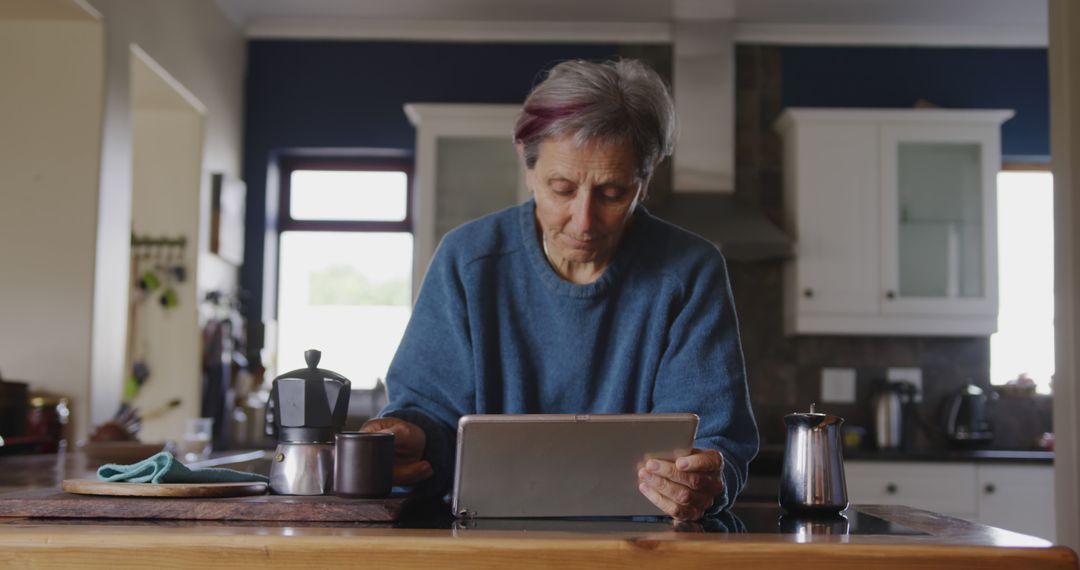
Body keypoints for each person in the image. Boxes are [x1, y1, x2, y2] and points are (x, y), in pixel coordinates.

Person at [362, 58, 758, 521]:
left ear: (645, 181)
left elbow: (712, 440)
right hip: (486, 537)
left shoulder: (690, 271)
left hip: (647, 546)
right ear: (527, 167)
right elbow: (430, 414)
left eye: (612, 193)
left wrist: (705, 478)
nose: (584, 221)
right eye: (562, 188)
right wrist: (411, 436)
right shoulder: (468, 261)